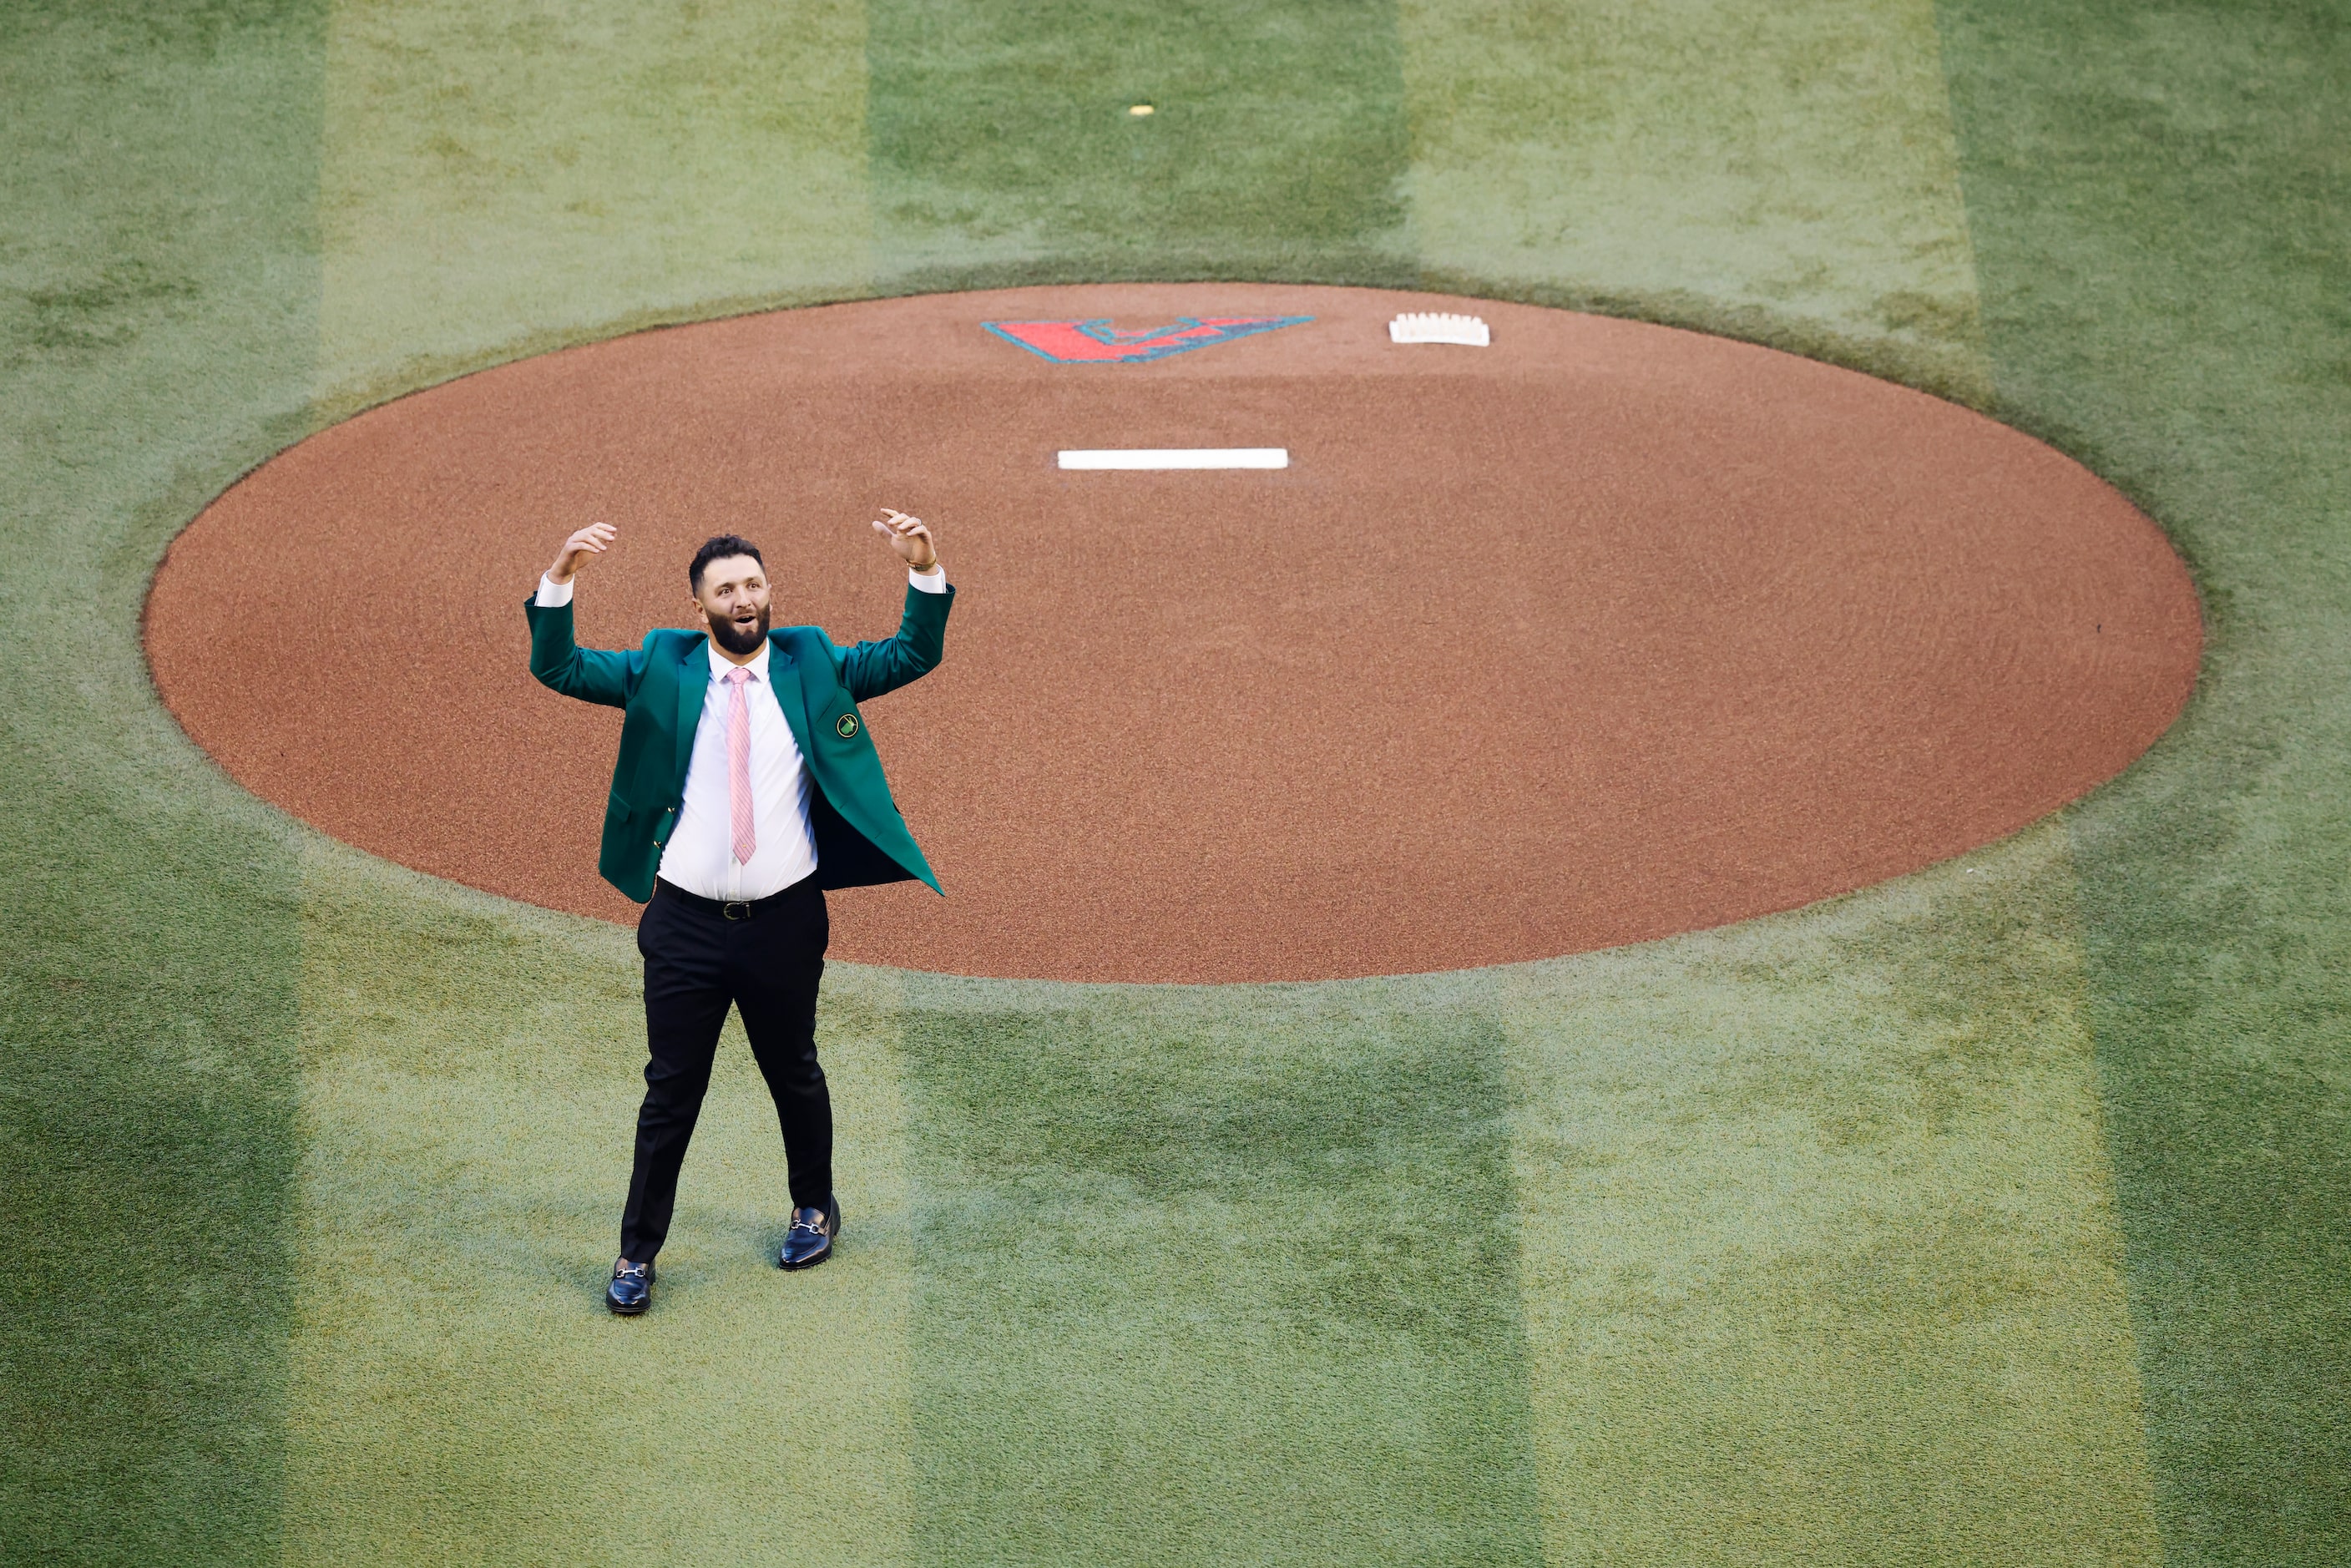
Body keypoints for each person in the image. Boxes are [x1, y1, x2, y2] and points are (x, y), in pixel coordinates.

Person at [524, 510, 953, 1315]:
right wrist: (561, 581)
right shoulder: (660, 664)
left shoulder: (813, 659)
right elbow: (561, 671)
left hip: (786, 921)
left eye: (754, 584)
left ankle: (815, 1207)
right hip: (684, 925)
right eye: (726, 589)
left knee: (794, 1071)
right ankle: (635, 1256)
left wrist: (922, 567)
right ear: (701, 607)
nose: (744, 598)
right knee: (670, 1093)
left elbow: (913, 653)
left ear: (770, 592)